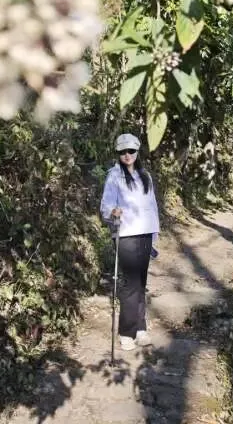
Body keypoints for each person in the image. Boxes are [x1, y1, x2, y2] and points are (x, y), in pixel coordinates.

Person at [100, 133, 160, 351]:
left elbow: (152, 207)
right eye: (123, 152)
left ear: (137, 152)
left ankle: (140, 328)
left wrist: (155, 234)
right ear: (118, 154)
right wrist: (112, 212)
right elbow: (105, 206)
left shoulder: (145, 176)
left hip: (145, 233)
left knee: (141, 282)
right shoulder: (114, 176)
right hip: (125, 234)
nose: (127, 155)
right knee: (130, 283)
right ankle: (127, 332)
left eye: (131, 151)